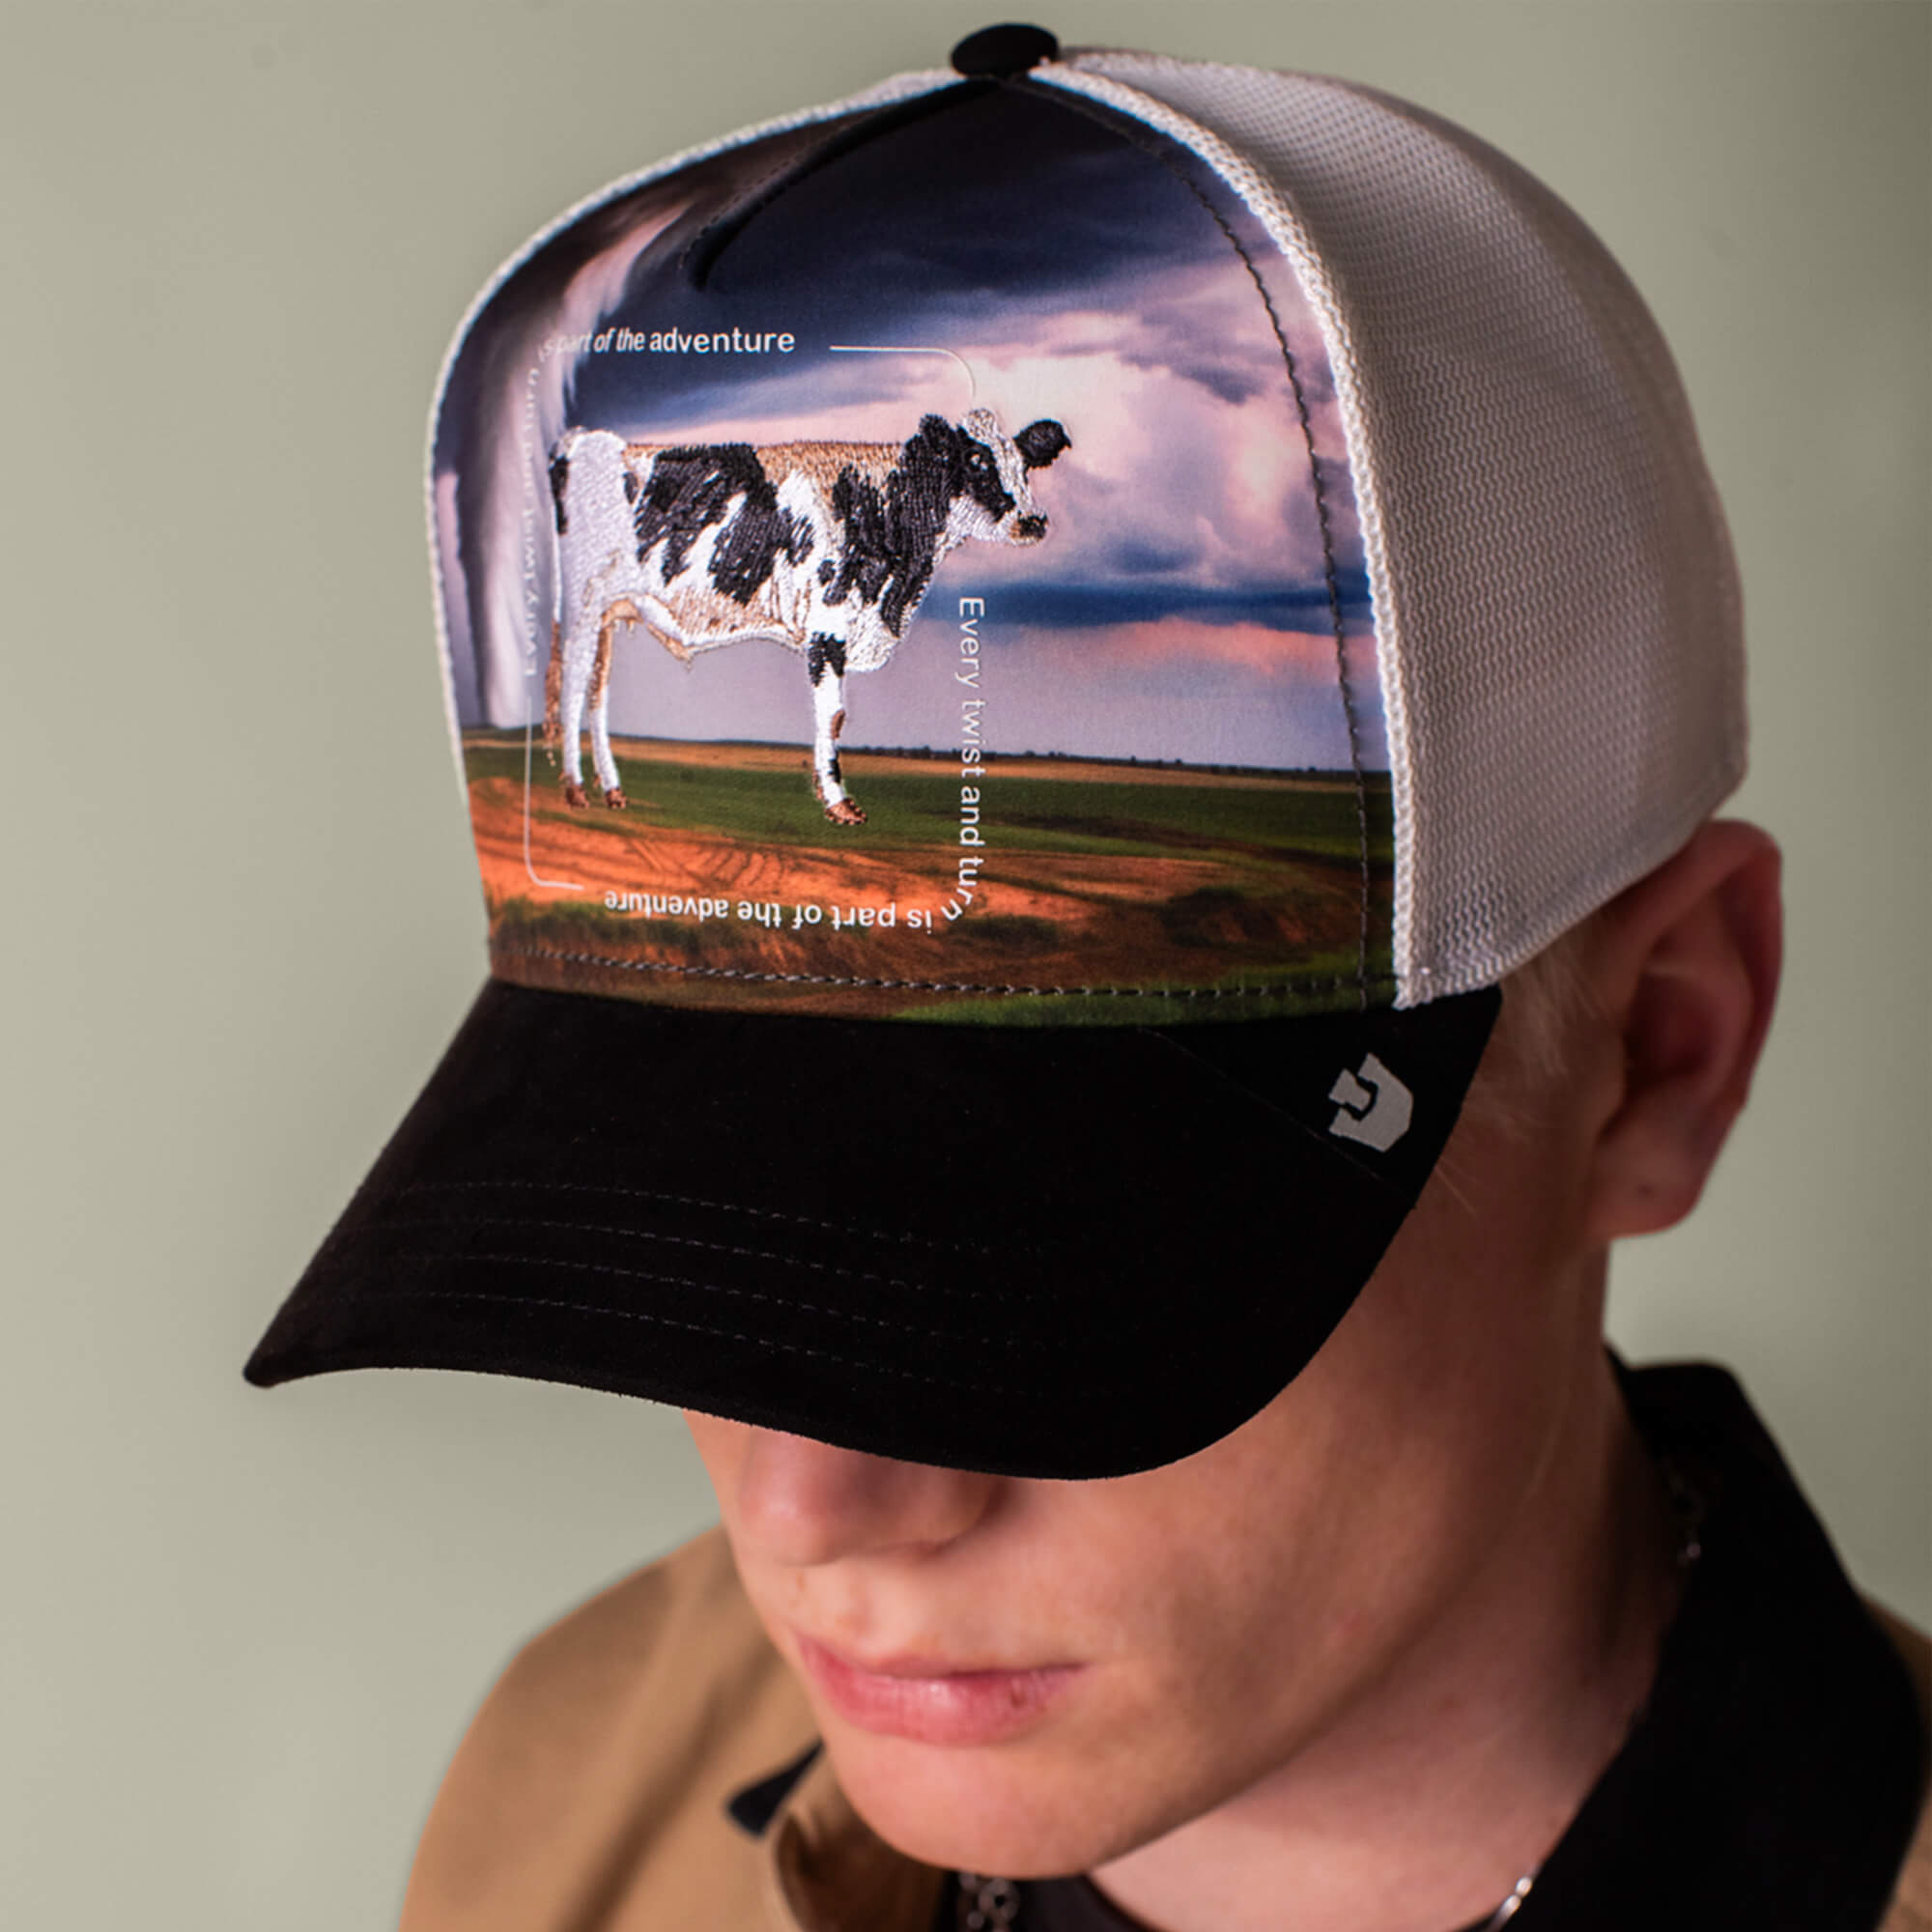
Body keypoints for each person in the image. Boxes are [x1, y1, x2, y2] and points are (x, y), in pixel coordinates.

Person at [243, 26, 1930, 1930]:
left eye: (1055, 1250)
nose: (806, 1513)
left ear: (1656, 1053)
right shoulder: (572, 1798)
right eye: (698, 1211)